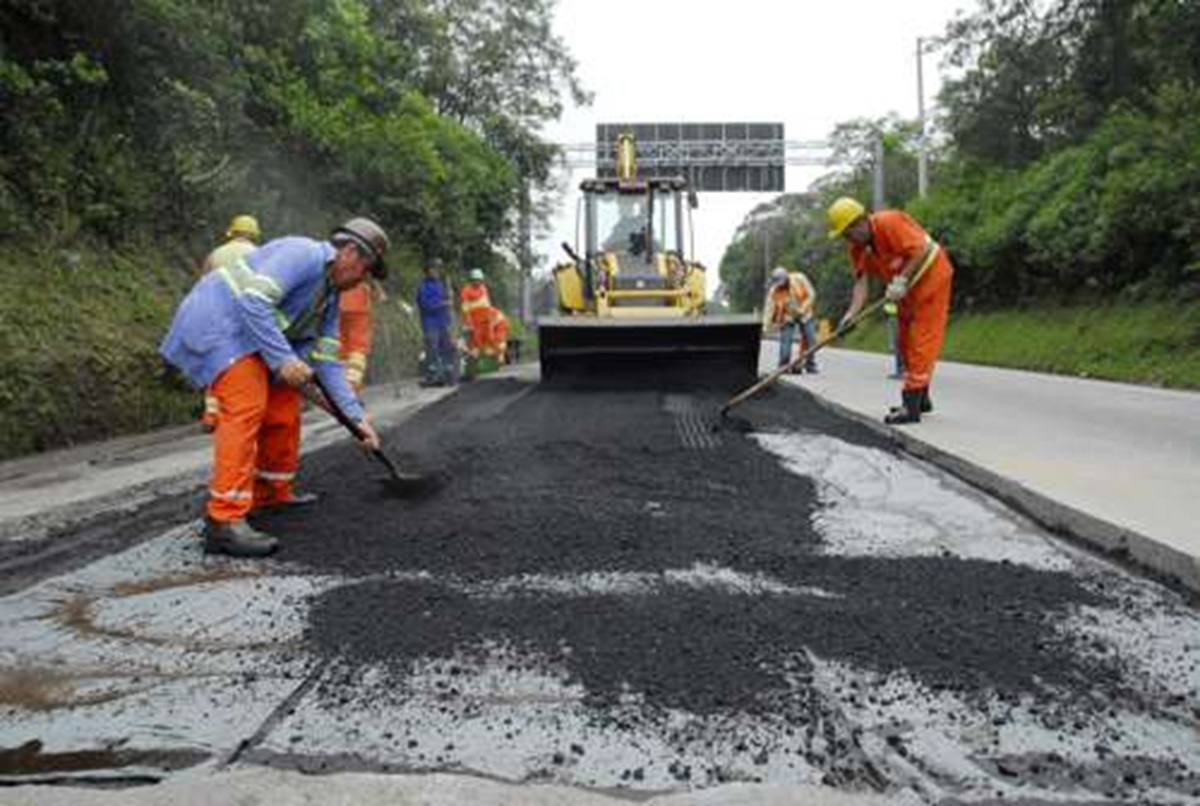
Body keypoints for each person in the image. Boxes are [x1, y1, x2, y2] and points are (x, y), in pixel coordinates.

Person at [160, 218, 387, 557]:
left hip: (254, 340)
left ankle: (271, 493)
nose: (362, 280)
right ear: (352, 253)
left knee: (283, 406)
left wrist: (356, 419)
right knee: (246, 404)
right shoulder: (304, 254)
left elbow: (327, 362)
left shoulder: (328, 297)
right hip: (221, 324)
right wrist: (283, 360)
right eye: (366, 270)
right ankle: (223, 522)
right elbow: (252, 301)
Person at [828, 197, 953, 425]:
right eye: (844, 235)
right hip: (905, 292)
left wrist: (901, 280)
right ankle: (922, 399)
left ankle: (911, 405)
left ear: (860, 222)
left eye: (848, 233)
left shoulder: (890, 222)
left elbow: (922, 249)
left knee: (920, 342)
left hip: (932, 281)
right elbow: (861, 282)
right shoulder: (857, 248)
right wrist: (851, 314)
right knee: (904, 342)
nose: (847, 239)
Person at [198, 215, 262, 430]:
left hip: (217, 317)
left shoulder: (215, 255)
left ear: (232, 233)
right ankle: (242, 411)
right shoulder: (259, 255)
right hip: (247, 319)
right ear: (254, 235)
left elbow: (202, 287)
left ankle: (211, 415)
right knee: (247, 367)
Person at [763, 266, 819, 374]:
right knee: (785, 343)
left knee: (811, 338)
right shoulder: (773, 291)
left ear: (787, 278)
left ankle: (810, 364)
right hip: (787, 317)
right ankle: (783, 365)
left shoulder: (800, 278)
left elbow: (812, 294)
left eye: (783, 283)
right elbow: (769, 310)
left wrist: (803, 309)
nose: (782, 286)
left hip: (804, 314)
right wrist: (765, 327)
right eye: (779, 284)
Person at [417, 261, 455, 386]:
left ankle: (447, 374)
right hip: (430, 323)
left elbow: (447, 301)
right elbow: (425, 306)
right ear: (427, 272)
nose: (436, 272)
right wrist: (443, 304)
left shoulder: (440, 285)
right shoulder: (423, 287)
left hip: (443, 322)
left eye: (438, 270)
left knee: (447, 348)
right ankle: (432, 376)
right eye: (433, 270)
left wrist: (449, 299)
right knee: (432, 349)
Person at [883, 299, 905, 379]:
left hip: (900, 315)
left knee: (900, 343)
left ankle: (903, 370)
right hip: (892, 315)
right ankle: (900, 370)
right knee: (897, 344)